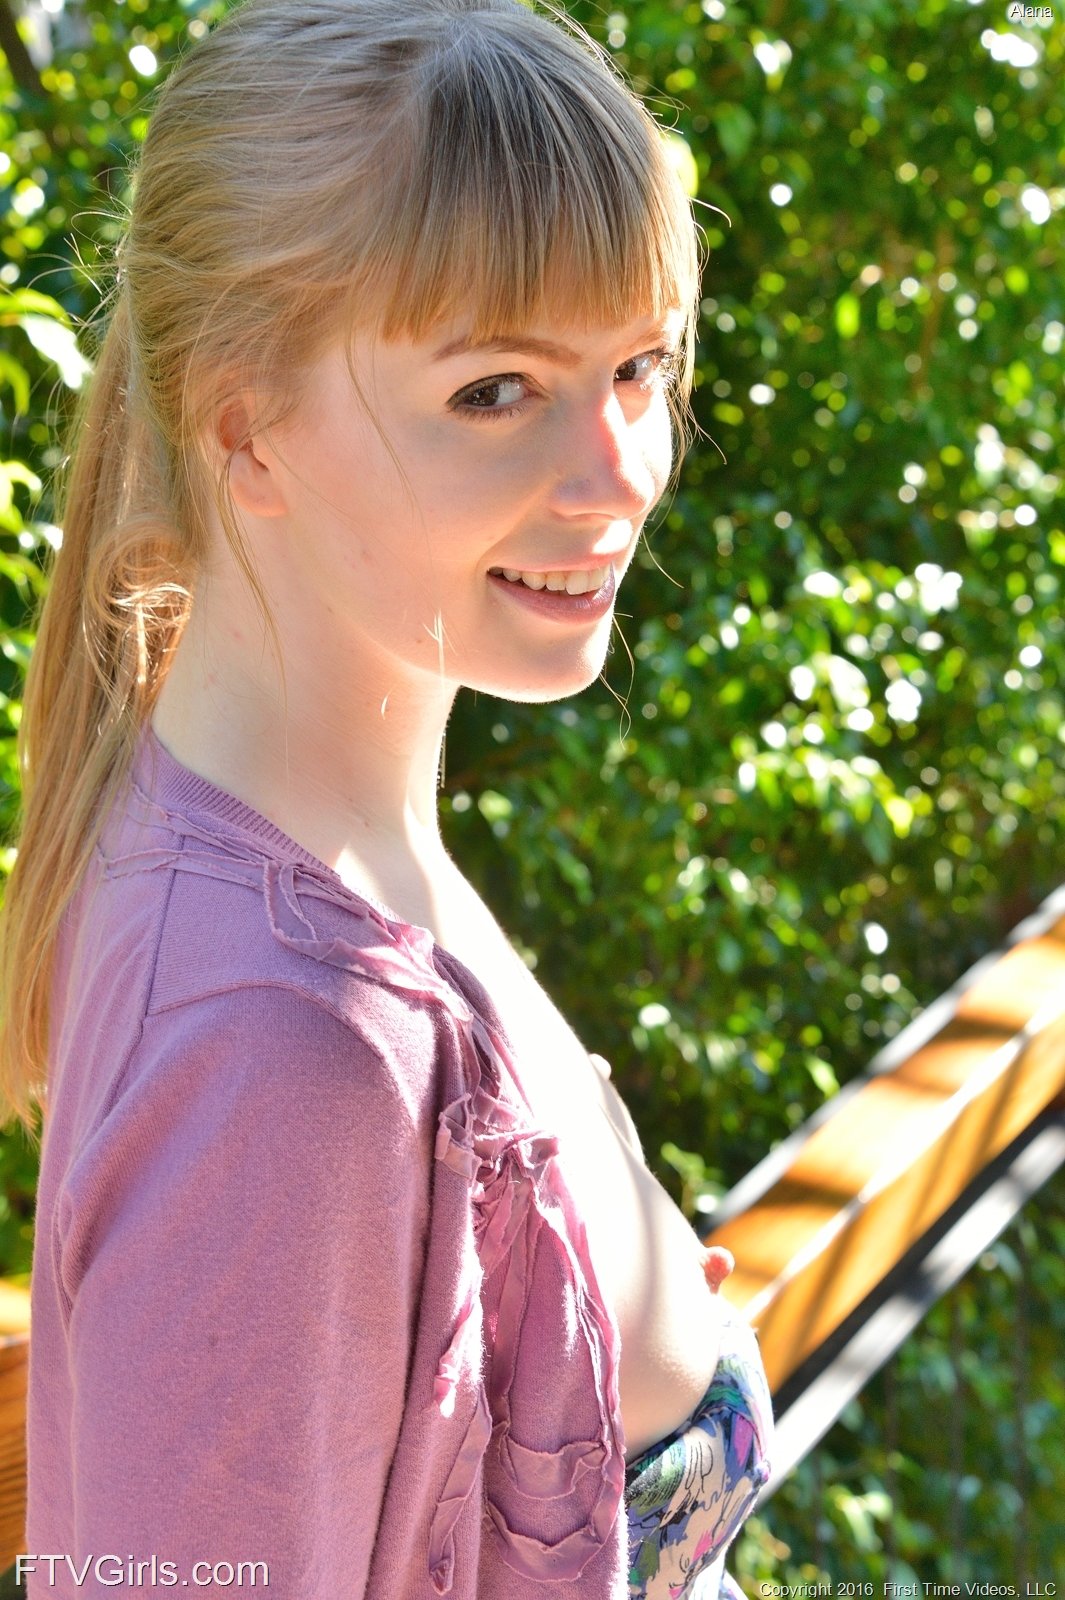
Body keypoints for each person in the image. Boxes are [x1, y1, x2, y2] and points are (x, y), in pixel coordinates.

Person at [0, 1, 772, 1595]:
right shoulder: (276, 1050)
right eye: (495, 389)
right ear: (246, 428)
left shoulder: (322, 839)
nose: (620, 473)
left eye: (636, 367)